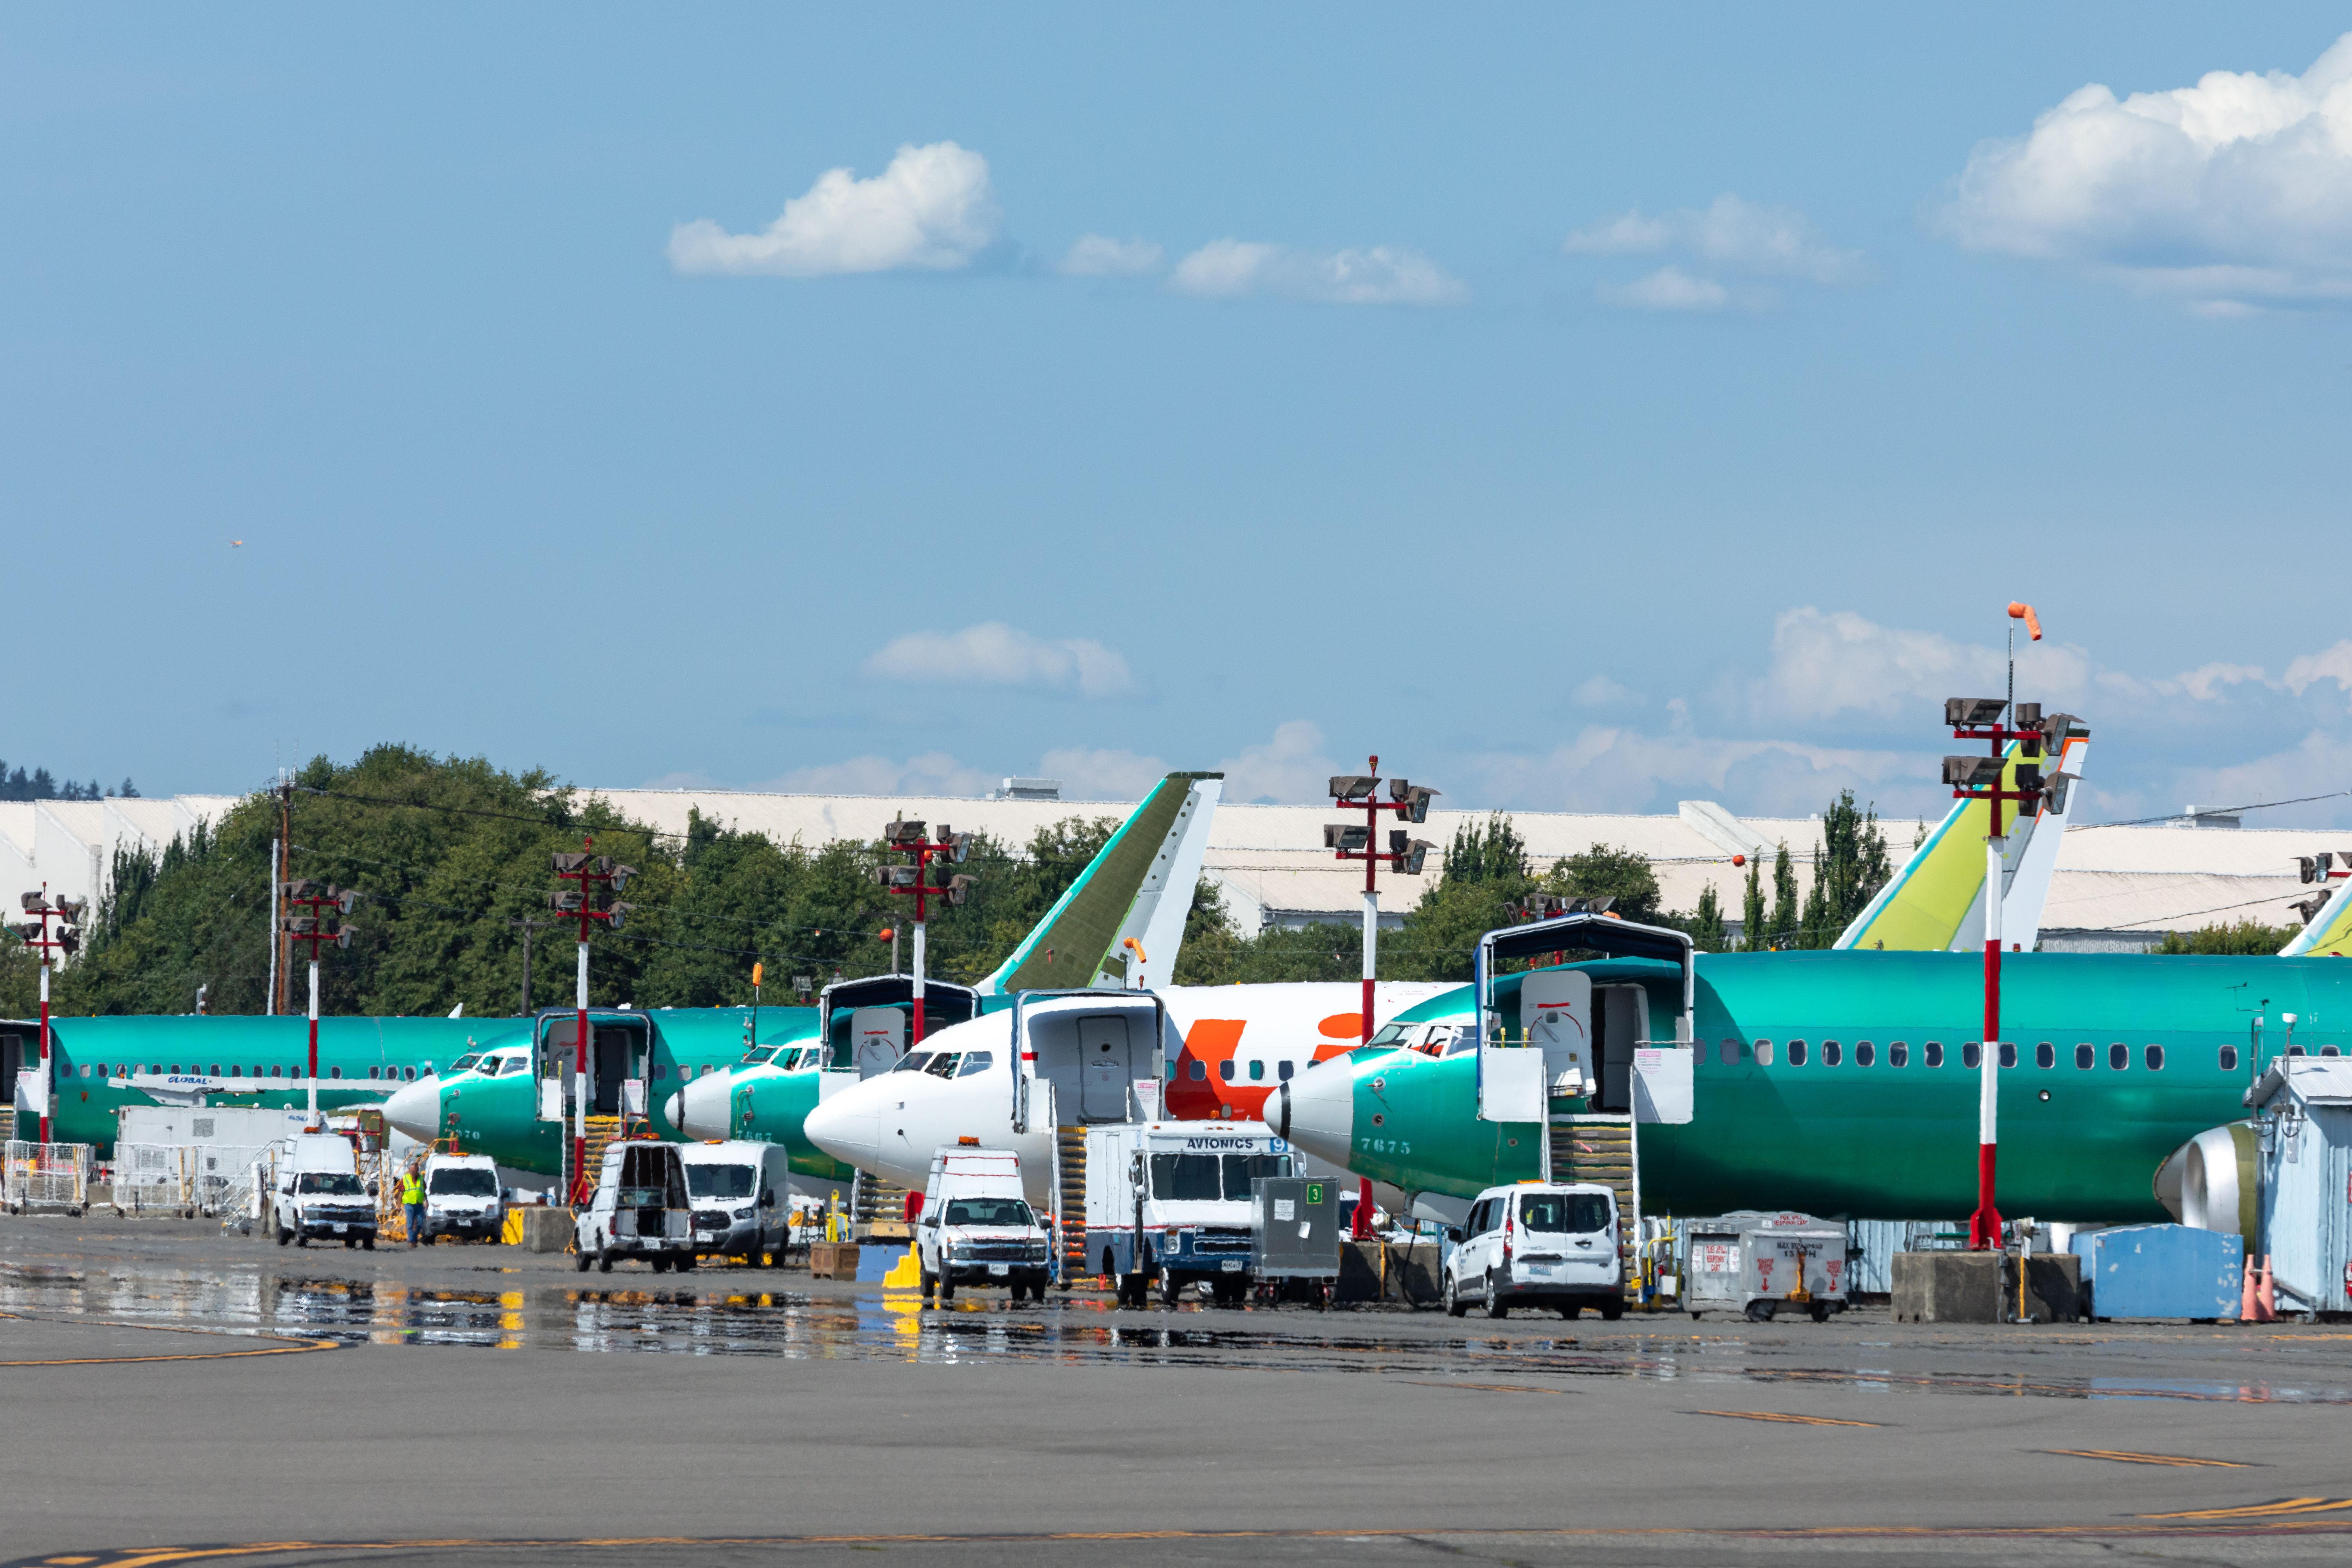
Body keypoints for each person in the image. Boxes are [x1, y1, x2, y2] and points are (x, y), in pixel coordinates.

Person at [400, 1162, 426, 1249]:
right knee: (411, 1223)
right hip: (409, 1204)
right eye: (412, 1171)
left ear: (418, 1171)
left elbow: (423, 1190)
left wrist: (426, 1201)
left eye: (415, 1171)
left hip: (419, 1204)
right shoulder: (405, 1178)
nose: (413, 1173)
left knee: (420, 1222)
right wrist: (398, 1205)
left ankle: (414, 1238)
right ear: (409, 1170)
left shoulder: (421, 1179)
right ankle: (412, 1242)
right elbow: (401, 1192)